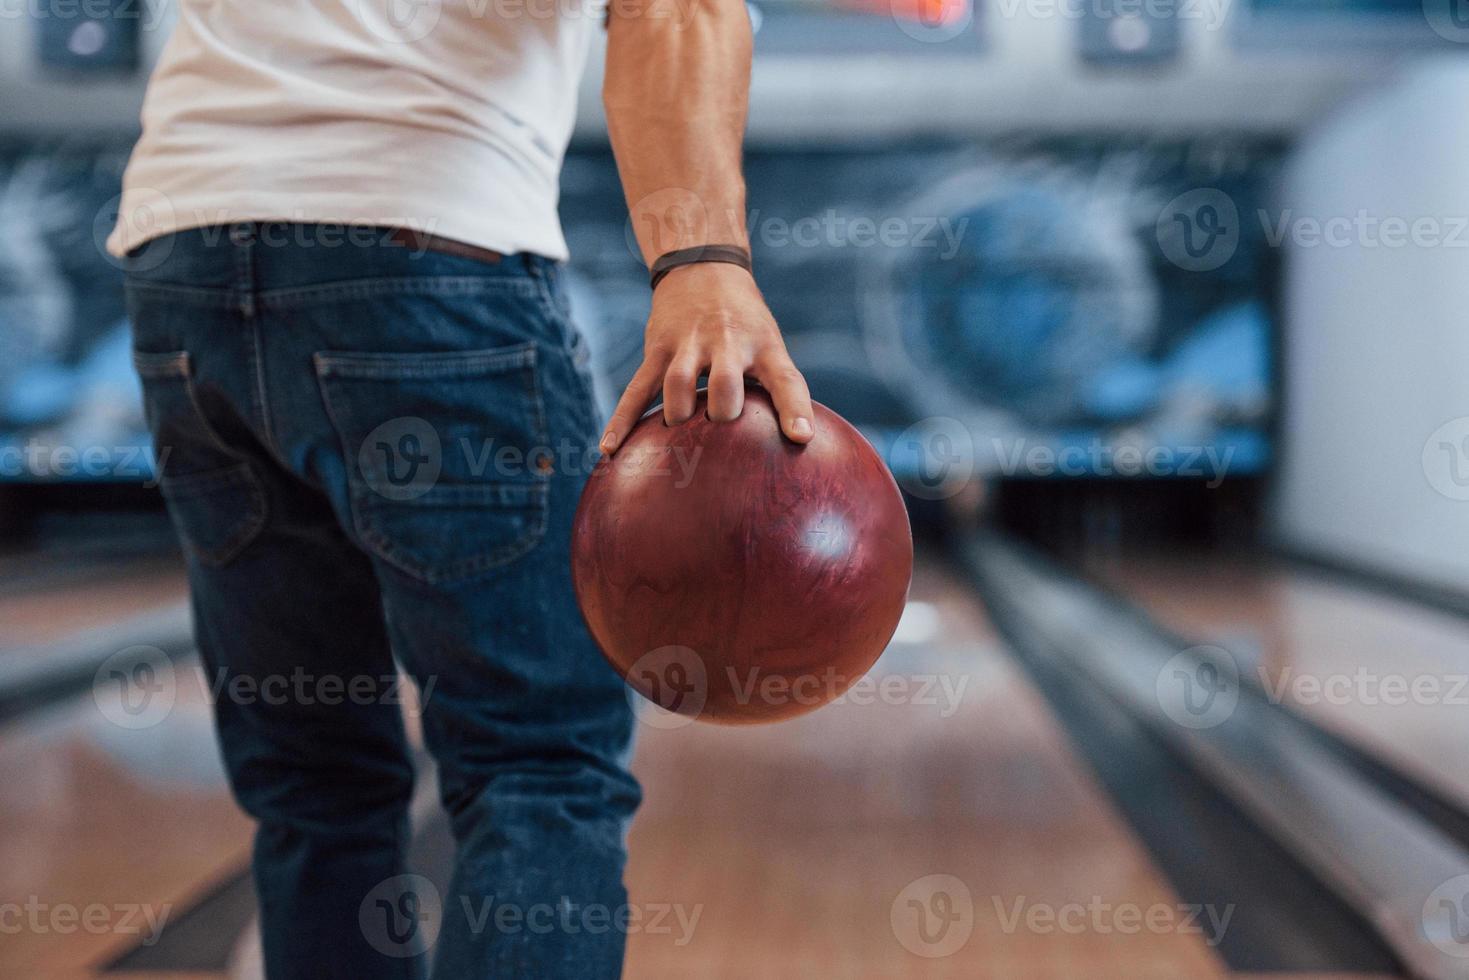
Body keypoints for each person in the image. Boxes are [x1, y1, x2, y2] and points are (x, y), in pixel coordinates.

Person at [108, 0, 814, 973]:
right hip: (426, 244)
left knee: (314, 781)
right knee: (537, 761)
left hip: (182, 259)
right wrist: (703, 268)